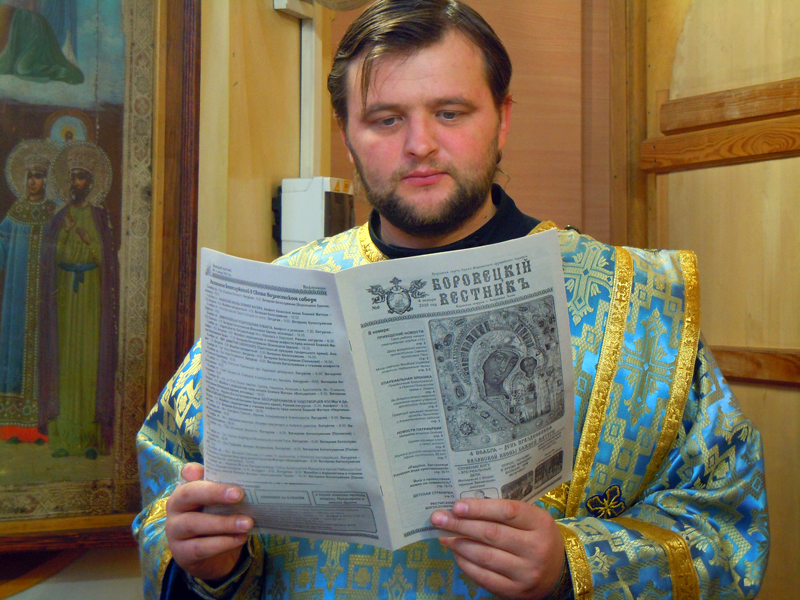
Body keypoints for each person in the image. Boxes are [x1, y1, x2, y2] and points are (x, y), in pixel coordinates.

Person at [134, 1, 769, 598]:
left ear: (503, 118)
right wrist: (210, 564)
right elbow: (171, 490)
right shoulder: (279, 300)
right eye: (386, 119)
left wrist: (572, 565)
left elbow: (728, 525)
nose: (420, 145)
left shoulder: (635, 305)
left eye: (450, 112)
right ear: (347, 134)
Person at [38, 140, 118, 459]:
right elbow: (50, 258)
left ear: (91, 183)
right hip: (64, 294)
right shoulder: (60, 218)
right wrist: (65, 234)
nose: (76, 183)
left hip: (91, 295)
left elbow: (106, 259)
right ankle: (63, 438)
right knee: (65, 361)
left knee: (88, 359)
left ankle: (90, 440)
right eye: (72, 177)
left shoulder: (99, 218)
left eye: (81, 177)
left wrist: (86, 239)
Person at [0, 139, 59, 444]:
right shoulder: (16, 212)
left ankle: (39, 427)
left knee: (43, 353)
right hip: (17, 296)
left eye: (39, 176)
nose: (33, 181)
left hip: (45, 297)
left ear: (46, 180)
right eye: (30, 176)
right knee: (14, 350)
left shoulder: (53, 213)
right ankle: (12, 426)